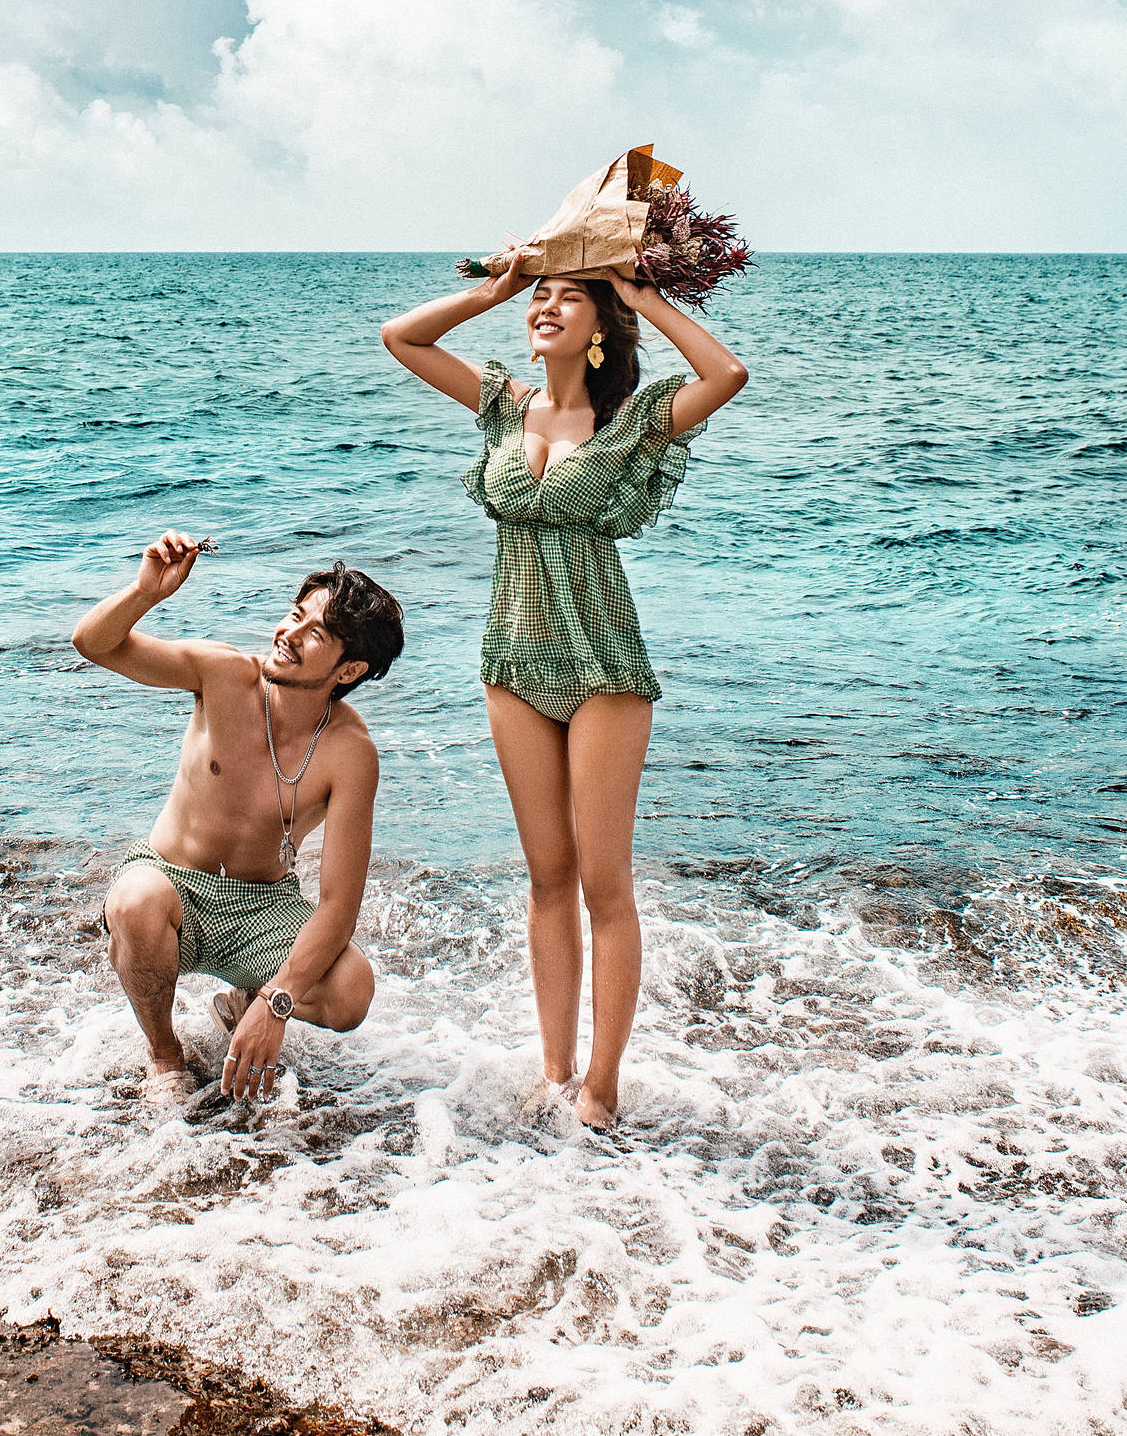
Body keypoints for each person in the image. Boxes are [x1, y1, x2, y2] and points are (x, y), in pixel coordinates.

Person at [380, 255, 747, 1129]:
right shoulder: (503, 403)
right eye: (541, 297)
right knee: (546, 877)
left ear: (598, 329)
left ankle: (603, 1087)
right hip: (511, 655)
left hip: (602, 663)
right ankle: (553, 1070)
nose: (546, 307)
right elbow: (402, 337)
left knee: (602, 883)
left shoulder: (635, 418)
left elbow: (725, 374)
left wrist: (643, 298)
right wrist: (496, 289)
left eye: (566, 298)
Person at [76, 534, 403, 1105]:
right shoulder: (224, 676)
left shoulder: (350, 753)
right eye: (295, 616)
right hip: (170, 880)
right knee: (134, 901)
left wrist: (277, 1004)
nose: (288, 635)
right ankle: (164, 1053)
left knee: (351, 991)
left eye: (314, 634)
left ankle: (243, 1001)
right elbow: (94, 644)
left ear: (349, 669)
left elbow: (339, 905)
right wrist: (144, 592)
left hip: (265, 907)